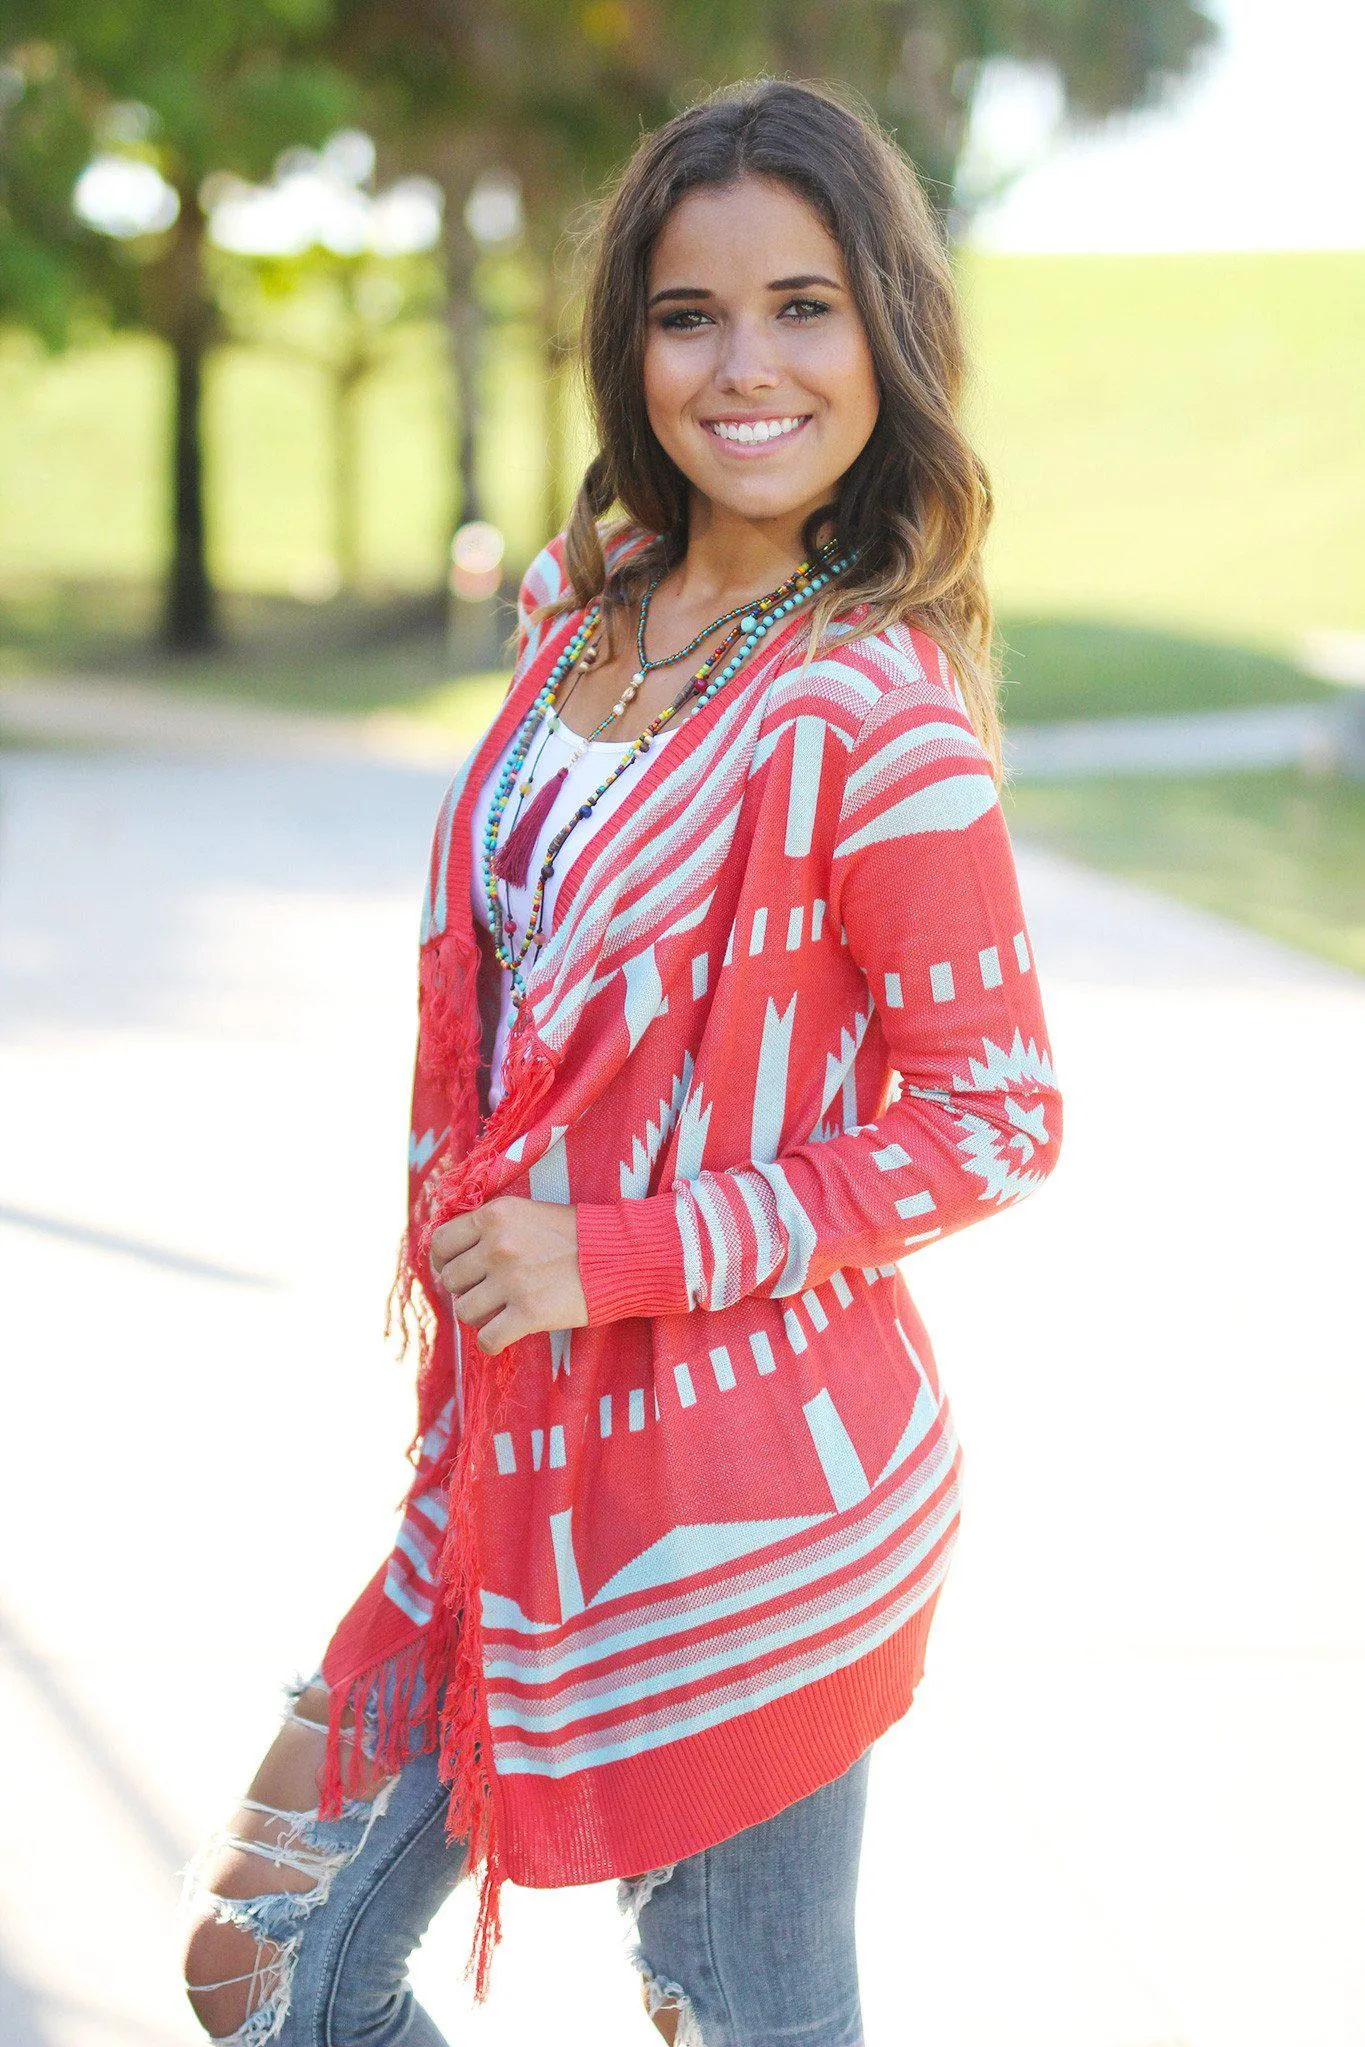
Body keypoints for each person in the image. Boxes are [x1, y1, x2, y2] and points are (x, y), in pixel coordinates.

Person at [181, 76, 1063, 2047]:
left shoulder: (874, 705)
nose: (744, 363)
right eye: (689, 313)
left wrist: (619, 1250)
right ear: (630, 346)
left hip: (752, 1511)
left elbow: (997, 1118)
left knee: (735, 2028)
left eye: (803, 305)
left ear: (881, 338)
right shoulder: (581, 614)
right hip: (507, 1463)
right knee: (262, 1975)